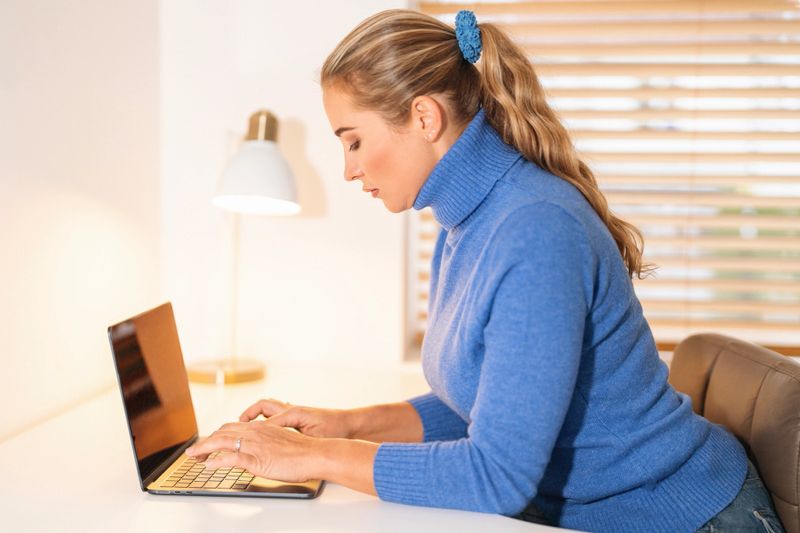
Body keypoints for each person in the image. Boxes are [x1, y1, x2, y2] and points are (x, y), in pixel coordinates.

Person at [186, 9, 785, 533]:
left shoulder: (534, 229)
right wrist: (346, 423)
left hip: (679, 518)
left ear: (423, 118)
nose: (347, 170)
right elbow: (493, 398)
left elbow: (498, 475)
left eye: (353, 141)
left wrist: (308, 458)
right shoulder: (468, 220)